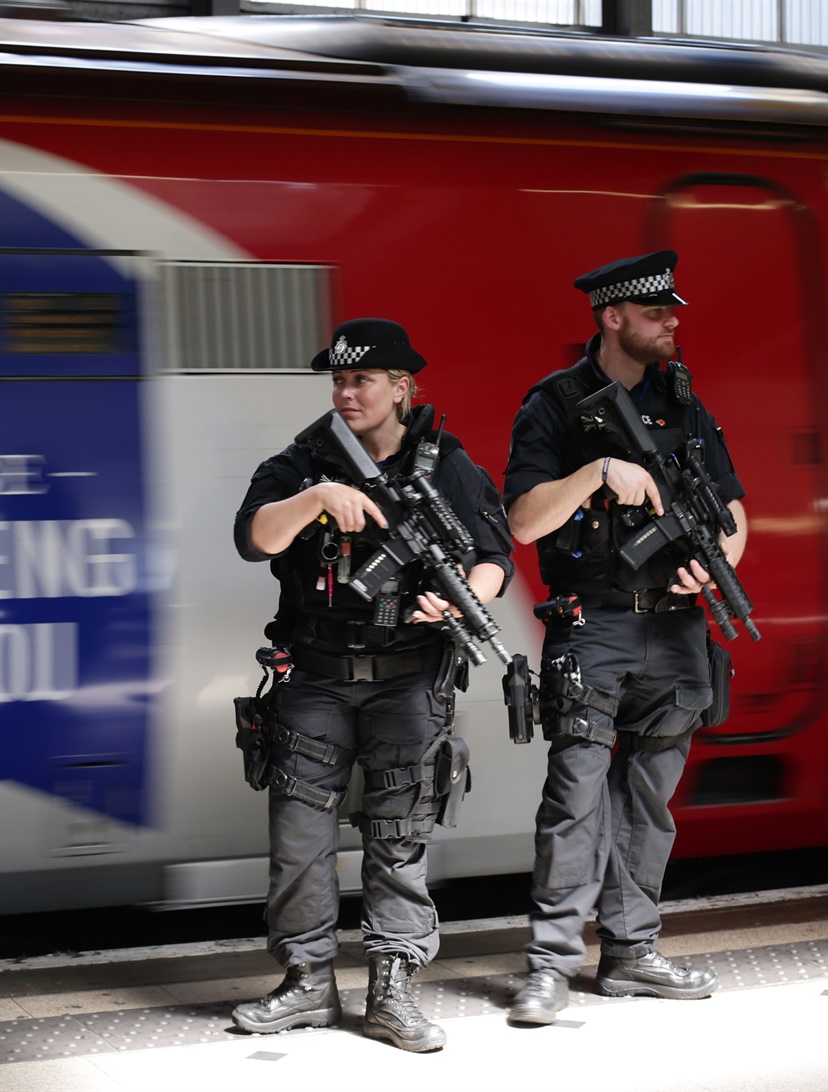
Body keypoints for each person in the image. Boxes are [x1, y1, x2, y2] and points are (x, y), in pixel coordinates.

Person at [231, 317, 513, 1052]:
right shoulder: (305, 459)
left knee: (400, 836)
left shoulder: (444, 462)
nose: (347, 392)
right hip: (314, 678)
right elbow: (254, 536)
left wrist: (460, 601)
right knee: (300, 839)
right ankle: (306, 983)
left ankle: (394, 989)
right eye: (340, 380)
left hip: (409, 679)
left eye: (362, 380)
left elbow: (493, 556)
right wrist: (317, 497)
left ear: (400, 388)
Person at [501, 250, 747, 1025]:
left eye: (671, 311)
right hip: (594, 626)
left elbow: (735, 513)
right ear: (612, 318)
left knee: (648, 802)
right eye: (656, 313)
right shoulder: (555, 404)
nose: (672, 322)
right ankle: (548, 965)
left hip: (676, 630)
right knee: (574, 797)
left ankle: (632, 954)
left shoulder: (685, 401)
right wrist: (597, 472)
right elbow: (523, 521)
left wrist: (716, 570)